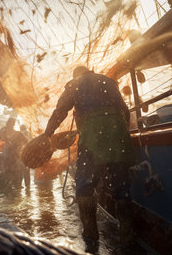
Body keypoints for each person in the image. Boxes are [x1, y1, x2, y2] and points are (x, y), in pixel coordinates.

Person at [43, 66, 135, 249]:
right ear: (90, 72)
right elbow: (125, 111)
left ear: (76, 75)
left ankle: (91, 235)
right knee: (121, 185)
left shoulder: (75, 84)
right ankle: (127, 236)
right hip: (119, 132)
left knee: (85, 184)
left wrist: (47, 134)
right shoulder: (108, 82)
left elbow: (61, 111)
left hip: (94, 134)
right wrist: (119, 131)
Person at [0, 117, 28, 190]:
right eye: (12, 123)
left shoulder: (16, 133)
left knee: (11, 170)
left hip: (13, 154)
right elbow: (26, 141)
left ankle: (13, 185)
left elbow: (26, 141)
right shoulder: (6, 131)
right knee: (13, 170)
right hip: (11, 154)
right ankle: (15, 185)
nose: (12, 125)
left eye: (12, 124)